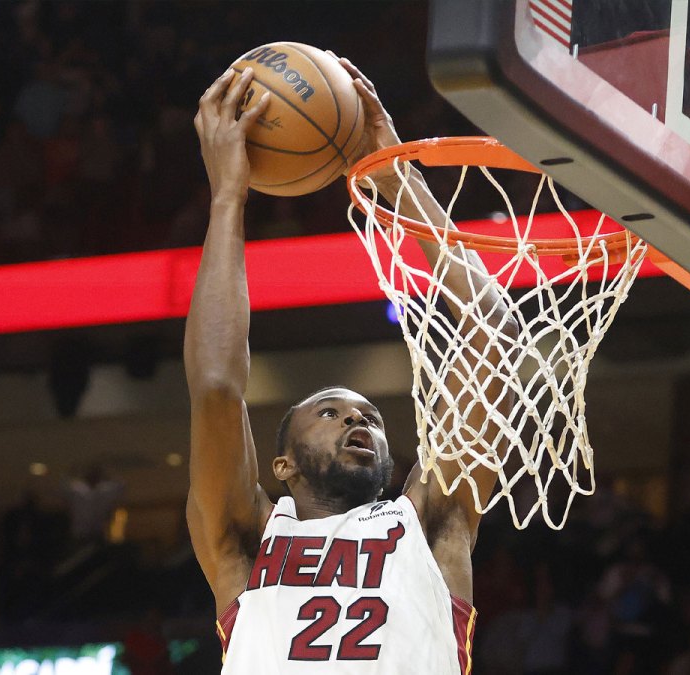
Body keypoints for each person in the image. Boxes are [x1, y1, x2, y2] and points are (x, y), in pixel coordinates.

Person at [187, 57, 514, 673]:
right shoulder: (247, 542)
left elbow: (490, 332)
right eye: (329, 413)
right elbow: (214, 389)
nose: (357, 420)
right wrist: (228, 196)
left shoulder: (430, 524)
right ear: (281, 464)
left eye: (369, 417)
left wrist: (397, 179)